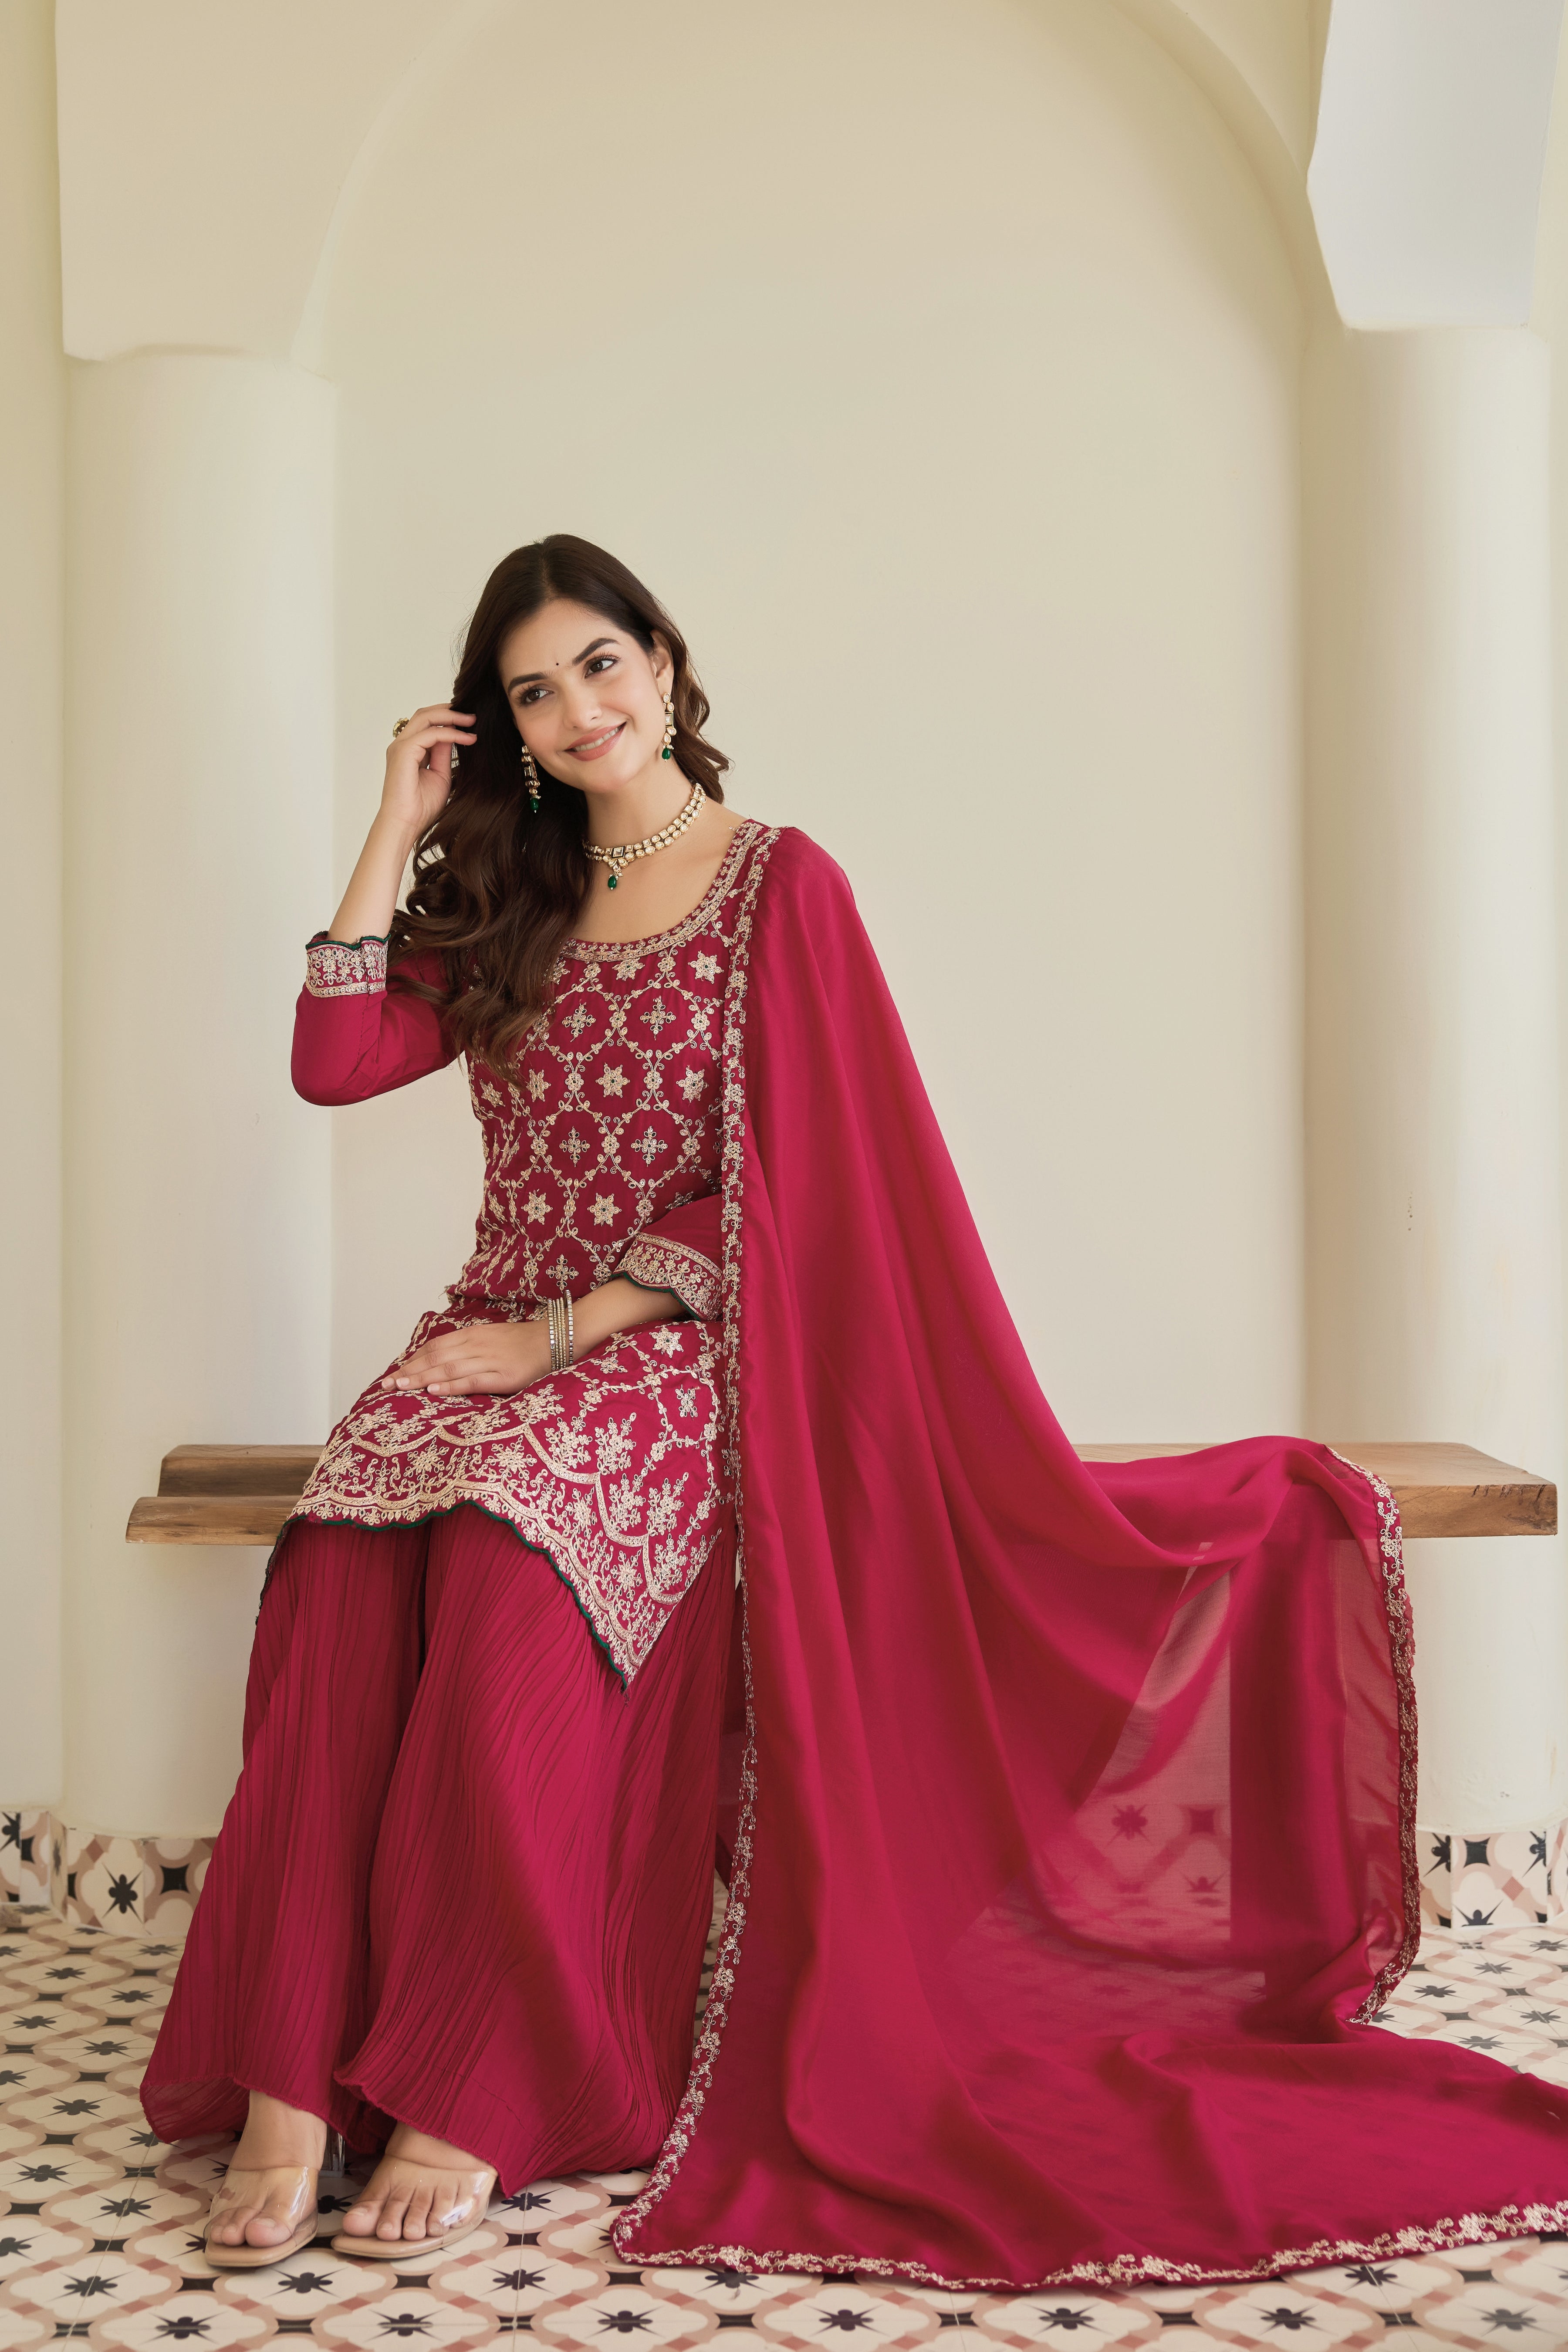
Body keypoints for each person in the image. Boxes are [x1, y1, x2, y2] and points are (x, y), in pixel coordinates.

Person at [143, 535, 1568, 2288]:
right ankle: (289, 2079)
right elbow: (335, 1061)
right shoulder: (499, 888)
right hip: (484, 1332)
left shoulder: (772, 884)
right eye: (534, 691)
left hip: (667, 1341)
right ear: (499, 728)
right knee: (343, 1593)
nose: (580, 708)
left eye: (600, 663)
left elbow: (804, 1172)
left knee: (515, 1595)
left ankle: (474, 2072)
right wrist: (396, 819)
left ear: (663, 661)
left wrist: (573, 1333)